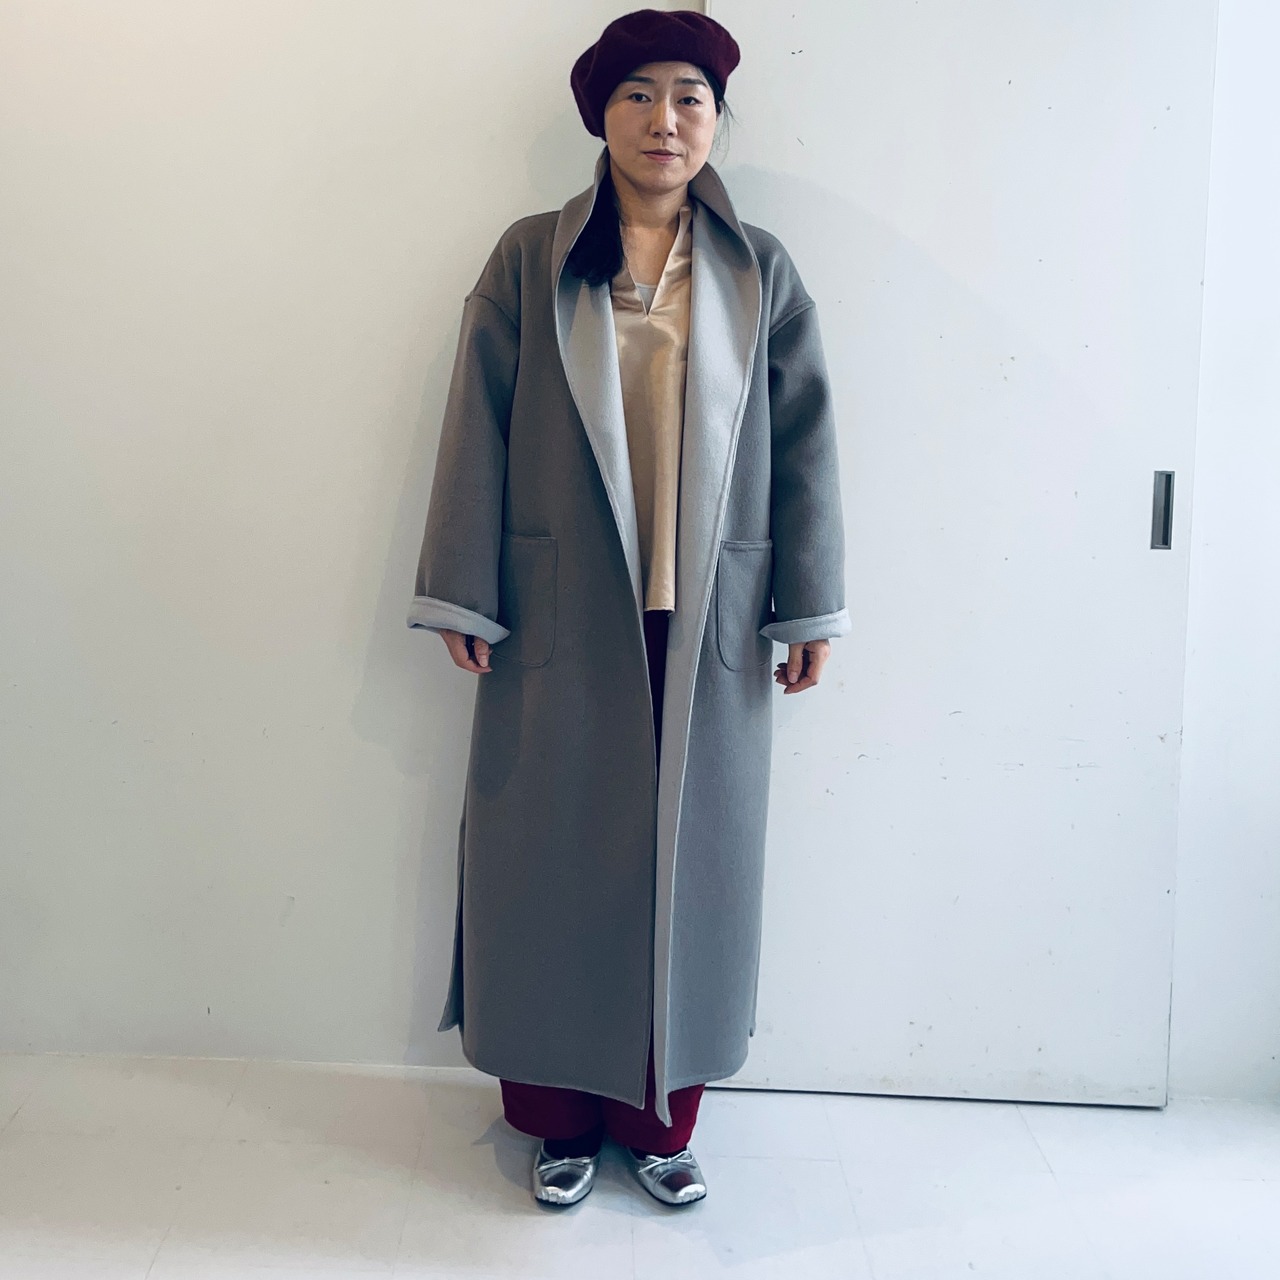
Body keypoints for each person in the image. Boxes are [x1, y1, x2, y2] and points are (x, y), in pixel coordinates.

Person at [408, 8, 849, 1208]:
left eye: (689, 97)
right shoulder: (531, 257)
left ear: (715, 120)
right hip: (556, 607)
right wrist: (463, 587)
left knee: (692, 869)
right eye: (638, 94)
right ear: (599, 115)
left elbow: (804, 442)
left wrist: (808, 605)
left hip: (705, 613)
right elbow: (475, 419)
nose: (665, 119)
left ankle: (660, 1122)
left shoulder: (758, 269)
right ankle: (554, 1116)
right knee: (547, 857)